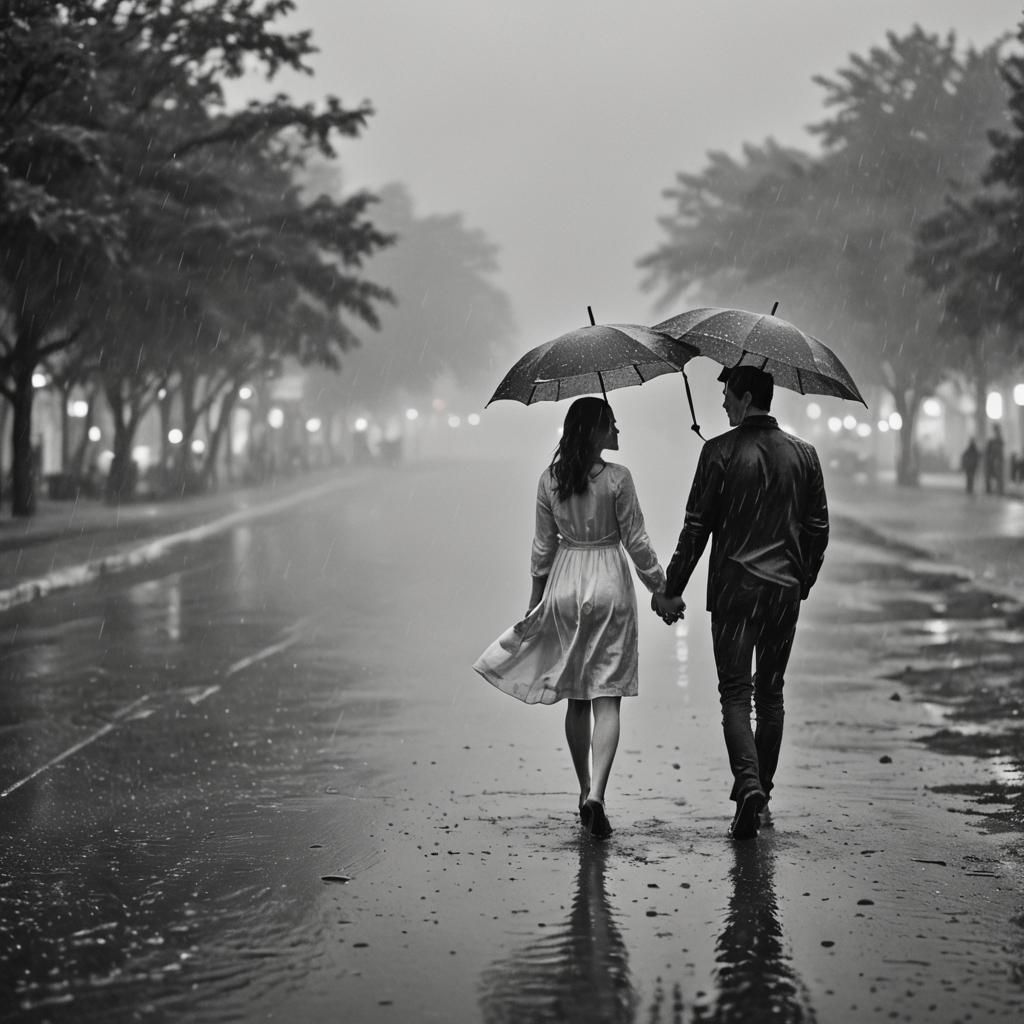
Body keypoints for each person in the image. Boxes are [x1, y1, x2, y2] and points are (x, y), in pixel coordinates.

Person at [473, 397, 680, 839]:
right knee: (608, 696)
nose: (618, 430)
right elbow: (637, 542)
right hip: (610, 587)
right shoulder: (618, 479)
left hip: (565, 586)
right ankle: (598, 794)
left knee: (576, 697)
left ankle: (583, 786)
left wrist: (535, 602)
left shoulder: (551, 480)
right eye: (612, 424)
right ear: (597, 431)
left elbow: (542, 548)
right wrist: (660, 589)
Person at [652, 366, 829, 841]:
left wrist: (671, 588)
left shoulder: (718, 452)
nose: (723, 403)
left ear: (747, 397)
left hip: (734, 592)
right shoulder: (805, 455)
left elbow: (696, 528)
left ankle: (748, 784)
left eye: (728, 395)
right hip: (783, 593)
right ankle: (761, 791)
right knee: (771, 695)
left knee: (735, 695)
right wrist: (801, 581)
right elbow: (818, 530)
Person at [985, 425, 1005, 496]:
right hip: (993, 460)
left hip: (997, 460)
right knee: (992, 476)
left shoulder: (998, 440)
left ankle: (999, 490)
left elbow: (999, 451)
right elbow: (990, 451)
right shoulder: (993, 441)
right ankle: (992, 490)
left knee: (999, 476)